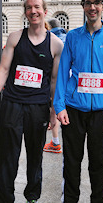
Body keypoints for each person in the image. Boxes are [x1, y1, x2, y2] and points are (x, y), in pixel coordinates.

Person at [0, 0, 63, 203]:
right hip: (12, 104)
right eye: (29, 8)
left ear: (45, 11)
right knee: (8, 155)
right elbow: (3, 69)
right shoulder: (15, 37)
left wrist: (53, 112)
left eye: (37, 7)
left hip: (38, 107)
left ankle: (32, 197)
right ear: (25, 12)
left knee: (35, 155)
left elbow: (54, 81)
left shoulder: (55, 44)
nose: (33, 11)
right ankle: (5, 198)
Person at [53, 0, 103, 202]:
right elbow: (63, 72)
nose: (92, 7)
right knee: (72, 163)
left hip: (102, 112)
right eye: (88, 3)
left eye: (96, 3)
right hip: (73, 110)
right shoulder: (73, 37)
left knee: (98, 164)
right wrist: (60, 106)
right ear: (83, 6)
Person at [43, 18, 67, 154]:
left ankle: (56, 142)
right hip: (69, 83)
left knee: (54, 109)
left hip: (55, 80)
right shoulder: (67, 37)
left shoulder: (51, 40)